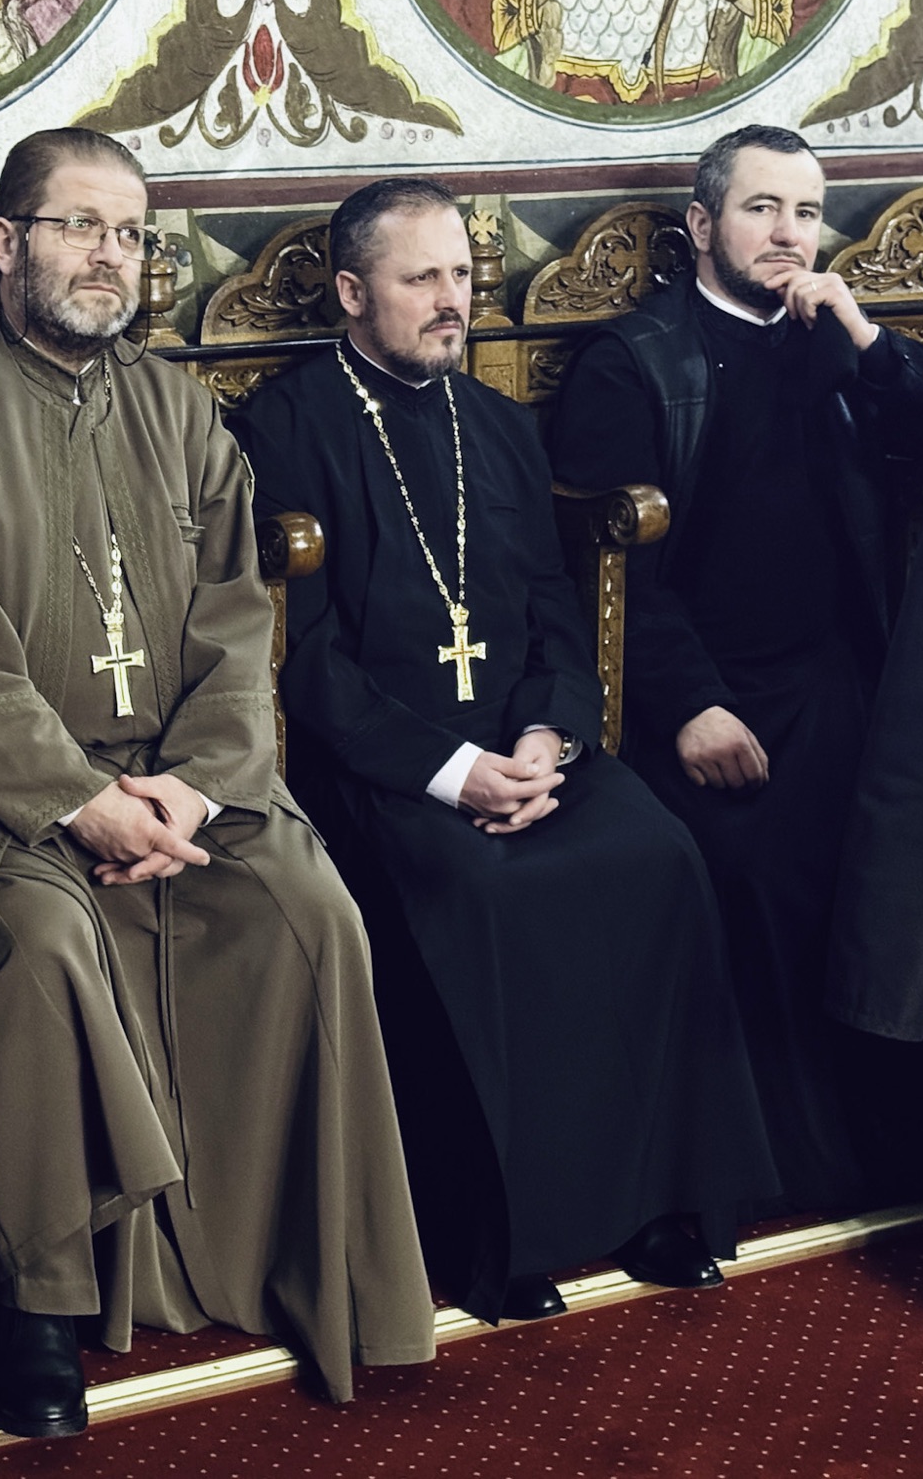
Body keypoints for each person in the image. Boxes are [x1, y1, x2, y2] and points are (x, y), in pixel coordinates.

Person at [0, 128, 435, 1439]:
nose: (108, 256)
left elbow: (238, 622)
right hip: (4, 796)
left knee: (310, 911)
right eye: (79, 227)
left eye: (129, 233)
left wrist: (195, 789)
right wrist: (81, 800)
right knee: (44, 947)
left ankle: (310, 1259)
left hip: (186, 782)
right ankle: (39, 1305)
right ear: (8, 243)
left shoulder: (181, 412)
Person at [232, 178, 779, 1325]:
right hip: (384, 769)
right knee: (477, 892)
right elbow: (304, 659)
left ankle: (658, 1204)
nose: (452, 301)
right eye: (420, 279)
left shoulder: (492, 422)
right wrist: (454, 774)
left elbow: (549, 608)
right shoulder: (281, 430)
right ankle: (511, 1231)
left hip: (523, 745)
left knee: (654, 856)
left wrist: (545, 735)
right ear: (351, 292)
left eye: (461, 276)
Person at [547, 125, 923, 1208]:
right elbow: (610, 574)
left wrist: (865, 334)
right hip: (701, 700)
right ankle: (792, 1175)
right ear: (701, 225)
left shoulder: (833, 344)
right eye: (760, 208)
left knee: (922, 861)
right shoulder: (633, 361)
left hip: (839, 685)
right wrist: (692, 705)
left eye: (804, 212)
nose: (787, 232)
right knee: (758, 878)